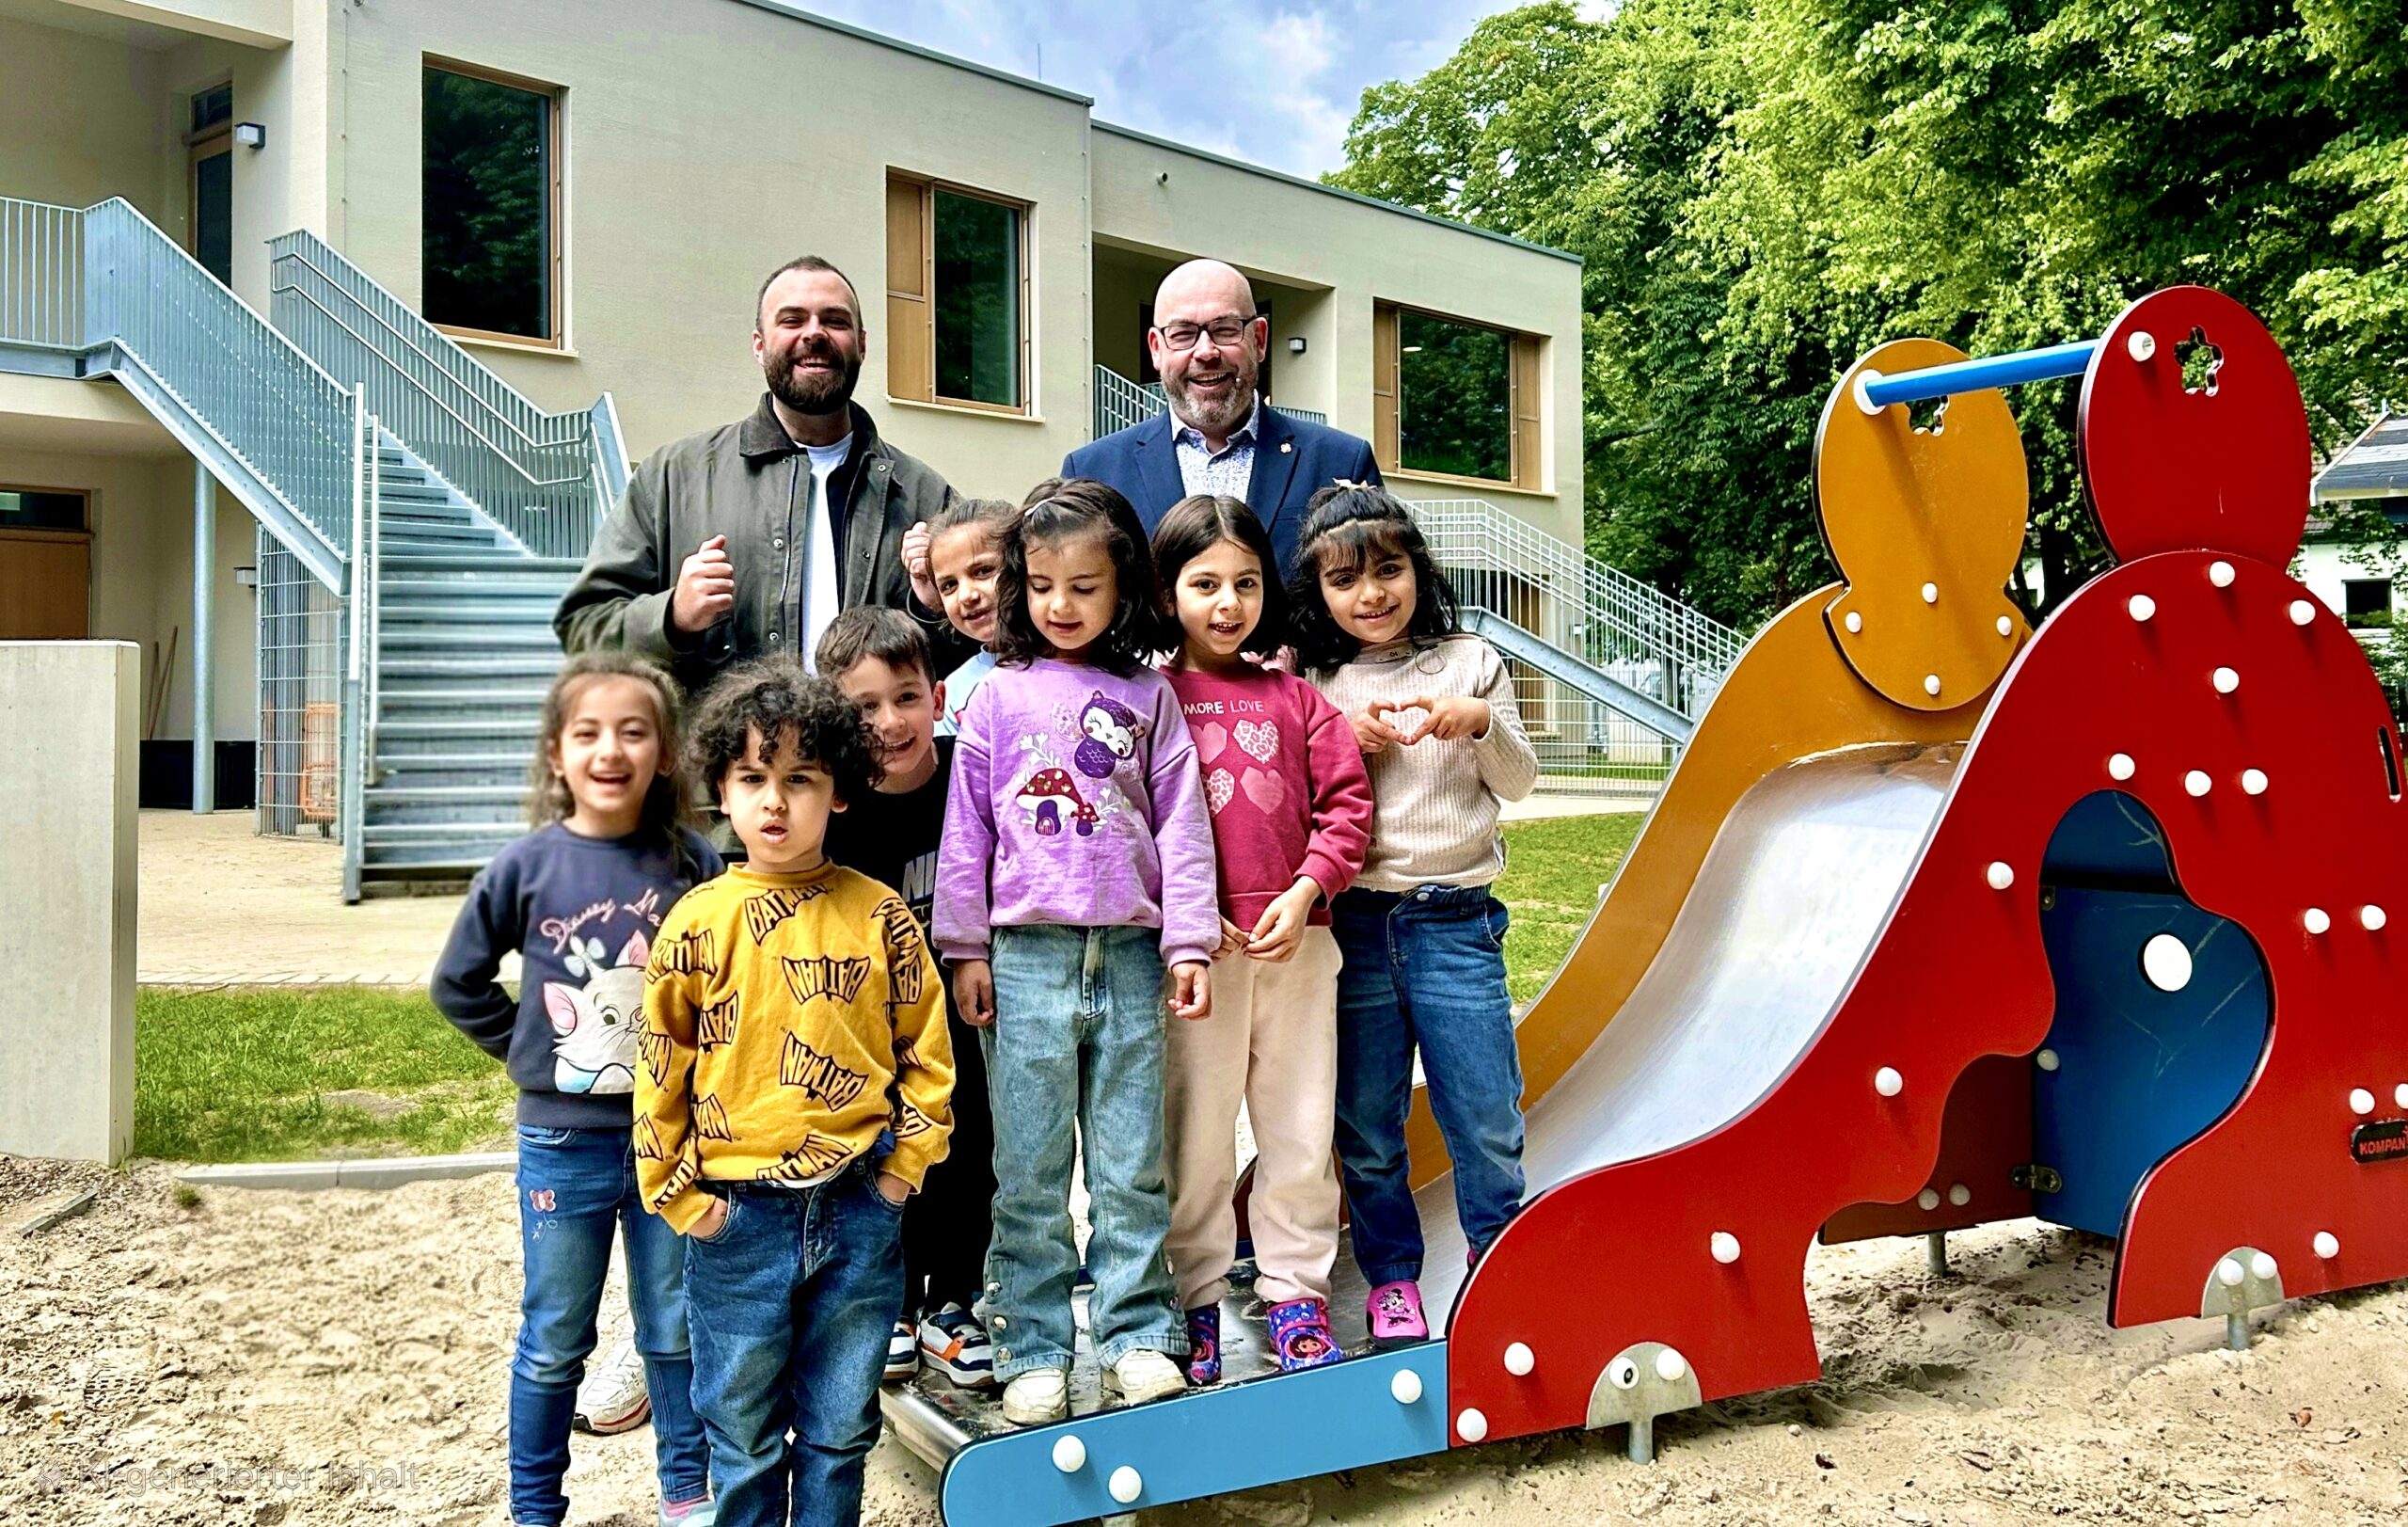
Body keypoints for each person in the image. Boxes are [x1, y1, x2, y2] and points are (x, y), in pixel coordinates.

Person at [637, 660, 954, 1527]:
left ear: (840, 791)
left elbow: (927, 1052)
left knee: (839, 1430)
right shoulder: (696, 922)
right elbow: (660, 1069)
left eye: (800, 779)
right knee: (741, 1435)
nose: (775, 801)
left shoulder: (880, 916)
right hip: (735, 1218)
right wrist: (684, 1201)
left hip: (859, 1205)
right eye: (752, 778)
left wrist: (902, 1173)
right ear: (722, 790)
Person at [931, 481, 1219, 1425]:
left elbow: (1182, 828)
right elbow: (966, 834)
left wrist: (1188, 942)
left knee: (1131, 1163)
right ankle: (1032, 1342)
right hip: (1023, 961)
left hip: (1130, 957)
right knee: (1029, 1168)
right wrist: (964, 947)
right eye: (1044, 585)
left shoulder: (1149, 696)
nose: (1062, 604)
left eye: (1085, 586)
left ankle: (1138, 1332)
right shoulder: (995, 697)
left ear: (1122, 586)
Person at [429, 653, 721, 1527]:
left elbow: (728, 986)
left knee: (673, 1327)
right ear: (557, 754)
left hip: (674, 1142)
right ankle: (534, 1509)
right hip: (563, 1144)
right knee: (557, 1335)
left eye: (634, 731)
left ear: (665, 753)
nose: (611, 749)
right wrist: (531, 1051)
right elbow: (457, 982)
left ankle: (687, 1494)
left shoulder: (694, 862)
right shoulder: (526, 866)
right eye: (588, 732)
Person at [1286, 484, 1540, 1350]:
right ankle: (1393, 1278)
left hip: (1455, 922)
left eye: (1388, 570)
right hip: (1354, 925)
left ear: (1418, 571)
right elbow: (1296, 812)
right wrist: (1339, 748)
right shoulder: (1313, 681)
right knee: (1366, 1121)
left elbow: (1519, 782)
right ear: (1319, 591)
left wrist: (1481, 724)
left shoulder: (1470, 660)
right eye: (1345, 579)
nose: (1371, 594)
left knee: (1485, 1109)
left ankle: (1499, 1257)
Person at [1151, 495, 1372, 1382]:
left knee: (1299, 1126)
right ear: (1167, 592)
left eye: (1245, 583)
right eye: (1204, 583)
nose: (1227, 602)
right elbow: (1131, 825)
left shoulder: (1299, 699)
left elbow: (1347, 809)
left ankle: (1296, 1292)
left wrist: (1309, 887)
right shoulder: (1148, 699)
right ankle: (1195, 1295)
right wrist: (1183, 916)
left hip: (1298, 947)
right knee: (1195, 1134)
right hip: (1195, 959)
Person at [556, 255, 964, 697]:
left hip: (873, 745)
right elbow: (585, 628)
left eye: (835, 321)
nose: (814, 334)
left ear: (861, 344)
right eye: (792, 320)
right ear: (758, 344)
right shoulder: (673, 477)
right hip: (727, 745)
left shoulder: (925, 496)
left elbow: (991, 636)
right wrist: (671, 618)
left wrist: (930, 610)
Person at [814, 609, 998, 1390]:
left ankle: (954, 1302)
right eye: (864, 707)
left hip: (962, 1014)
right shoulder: (829, 808)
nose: (890, 722)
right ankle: (886, 1302)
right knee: (878, 1154)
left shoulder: (970, 774)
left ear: (938, 696)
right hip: (867, 1030)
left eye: (906, 697)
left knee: (969, 1149)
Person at [1060, 258, 1381, 578]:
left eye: (1225, 330)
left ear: (1259, 340)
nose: (1206, 352)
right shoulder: (1093, 473)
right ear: (1156, 349)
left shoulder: (1341, 462)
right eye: (1183, 334)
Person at [900, 496, 1014, 737]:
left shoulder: (1078, 657)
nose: (966, 596)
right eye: (949, 585)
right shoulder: (955, 692)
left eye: (983, 571)